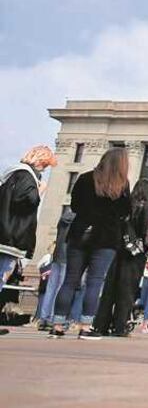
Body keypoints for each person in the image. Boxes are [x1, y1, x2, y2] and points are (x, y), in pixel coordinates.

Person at [49, 147, 131, 339]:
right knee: (94, 282)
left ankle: (57, 325)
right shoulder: (122, 185)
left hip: (80, 235)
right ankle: (85, 327)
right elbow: (125, 212)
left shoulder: (85, 178)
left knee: (70, 280)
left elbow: (75, 205)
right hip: (106, 239)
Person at [92, 177, 148, 336]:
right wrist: (144, 249)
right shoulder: (145, 206)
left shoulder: (125, 205)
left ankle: (101, 325)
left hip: (117, 249)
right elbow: (143, 231)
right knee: (127, 290)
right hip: (133, 254)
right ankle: (120, 326)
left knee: (109, 289)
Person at [0, 145, 57, 286]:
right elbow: (26, 201)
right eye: (45, 165)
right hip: (11, 238)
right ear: (39, 161)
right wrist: (39, 191)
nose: (44, 169)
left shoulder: (13, 174)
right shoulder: (26, 176)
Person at [38, 206, 76, 328]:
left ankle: (44, 318)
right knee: (61, 287)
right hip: (69, 255)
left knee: (51, 287)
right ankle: (54, 317)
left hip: (57, 254)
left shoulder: (64, 216)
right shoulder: (79, 217)